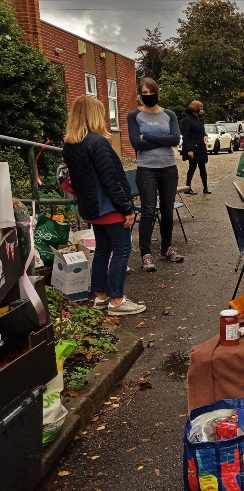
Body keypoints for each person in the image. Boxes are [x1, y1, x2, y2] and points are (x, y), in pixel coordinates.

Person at [62, 96, 146, 316]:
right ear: (94, 115)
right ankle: (117, 300)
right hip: (109, 207)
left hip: (91, 207)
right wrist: (127, 209)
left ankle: (101, 296)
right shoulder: (98, 142)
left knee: (102, 250)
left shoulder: (71, 145)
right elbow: (112, 180)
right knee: (122, 249)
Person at [127, 77, 184, 272]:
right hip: (146, 168)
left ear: (157, 93)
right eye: (145, 93)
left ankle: (166, 248)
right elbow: (136, 144)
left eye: (151, 93)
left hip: (169, 167)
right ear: (140, 95)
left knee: (167, 210)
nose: (148, 96)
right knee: (149, 210)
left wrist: (148, 136)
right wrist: (163, 140)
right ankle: (146, 254)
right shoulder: (134, 116)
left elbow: (175, 139)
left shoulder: (169, 115)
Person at [181, 100, 210, 195]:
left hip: (200, 145)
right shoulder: (187, 119)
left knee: (203, 167)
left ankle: (205, 187)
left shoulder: (199, 118)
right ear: (196, 108)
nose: (202, 110)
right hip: (192, 146)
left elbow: (202, 130)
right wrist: (189, 149)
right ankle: (188, 187)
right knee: (192, 167)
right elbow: (186, 135)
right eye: (201, 108)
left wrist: (204, 135)